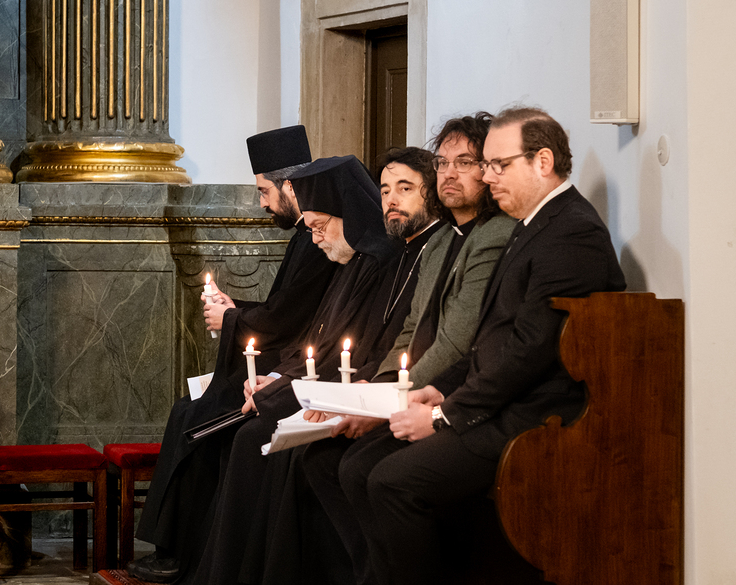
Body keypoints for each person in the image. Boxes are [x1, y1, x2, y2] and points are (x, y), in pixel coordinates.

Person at [334, 106, 626, 585]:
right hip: (500, 401)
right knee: (360, 466)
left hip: (536, 415)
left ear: (543, 161)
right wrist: (438, 391)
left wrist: (443, 415)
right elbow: (489, 342)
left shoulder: (572, 232)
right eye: (486, 166)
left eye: (497, 165)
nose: (488, 178)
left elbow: (531, 352)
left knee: (391, 481)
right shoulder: (533, 224)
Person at [191, 154, 441, 584]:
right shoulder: (358, 260)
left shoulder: (383, 258)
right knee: (232, 424)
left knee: (268, 438)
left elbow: (370, 349)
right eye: (385, 190)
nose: (316, 237)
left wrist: (294, 390)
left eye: (320, 226)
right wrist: (275, 381)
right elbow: (316, 342)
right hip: (340, 386)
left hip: (373, 393)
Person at [299, 112, 514, 585]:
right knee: (321, 459)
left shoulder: (495, 236)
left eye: (465, 162)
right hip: (414, 390)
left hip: (456, 397)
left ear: (488, 170)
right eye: (443, 163)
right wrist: (369, 397)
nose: (450, 174)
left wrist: (381, 406)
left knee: (361, 467)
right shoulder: (441, 242)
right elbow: (410, 332)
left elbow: (455, 341)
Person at [129, 126, 336, 583]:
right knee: (187, 410)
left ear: (289, 186)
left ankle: (183, 553)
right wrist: (234, 311)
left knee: (198, 421)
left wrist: (232, 318)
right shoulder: (306, 236)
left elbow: (288, 319)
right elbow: (283, 309)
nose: (261, 203)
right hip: (281, 363)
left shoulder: (319, 241)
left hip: (292, 370)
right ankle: (173, 547)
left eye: (264, 191)